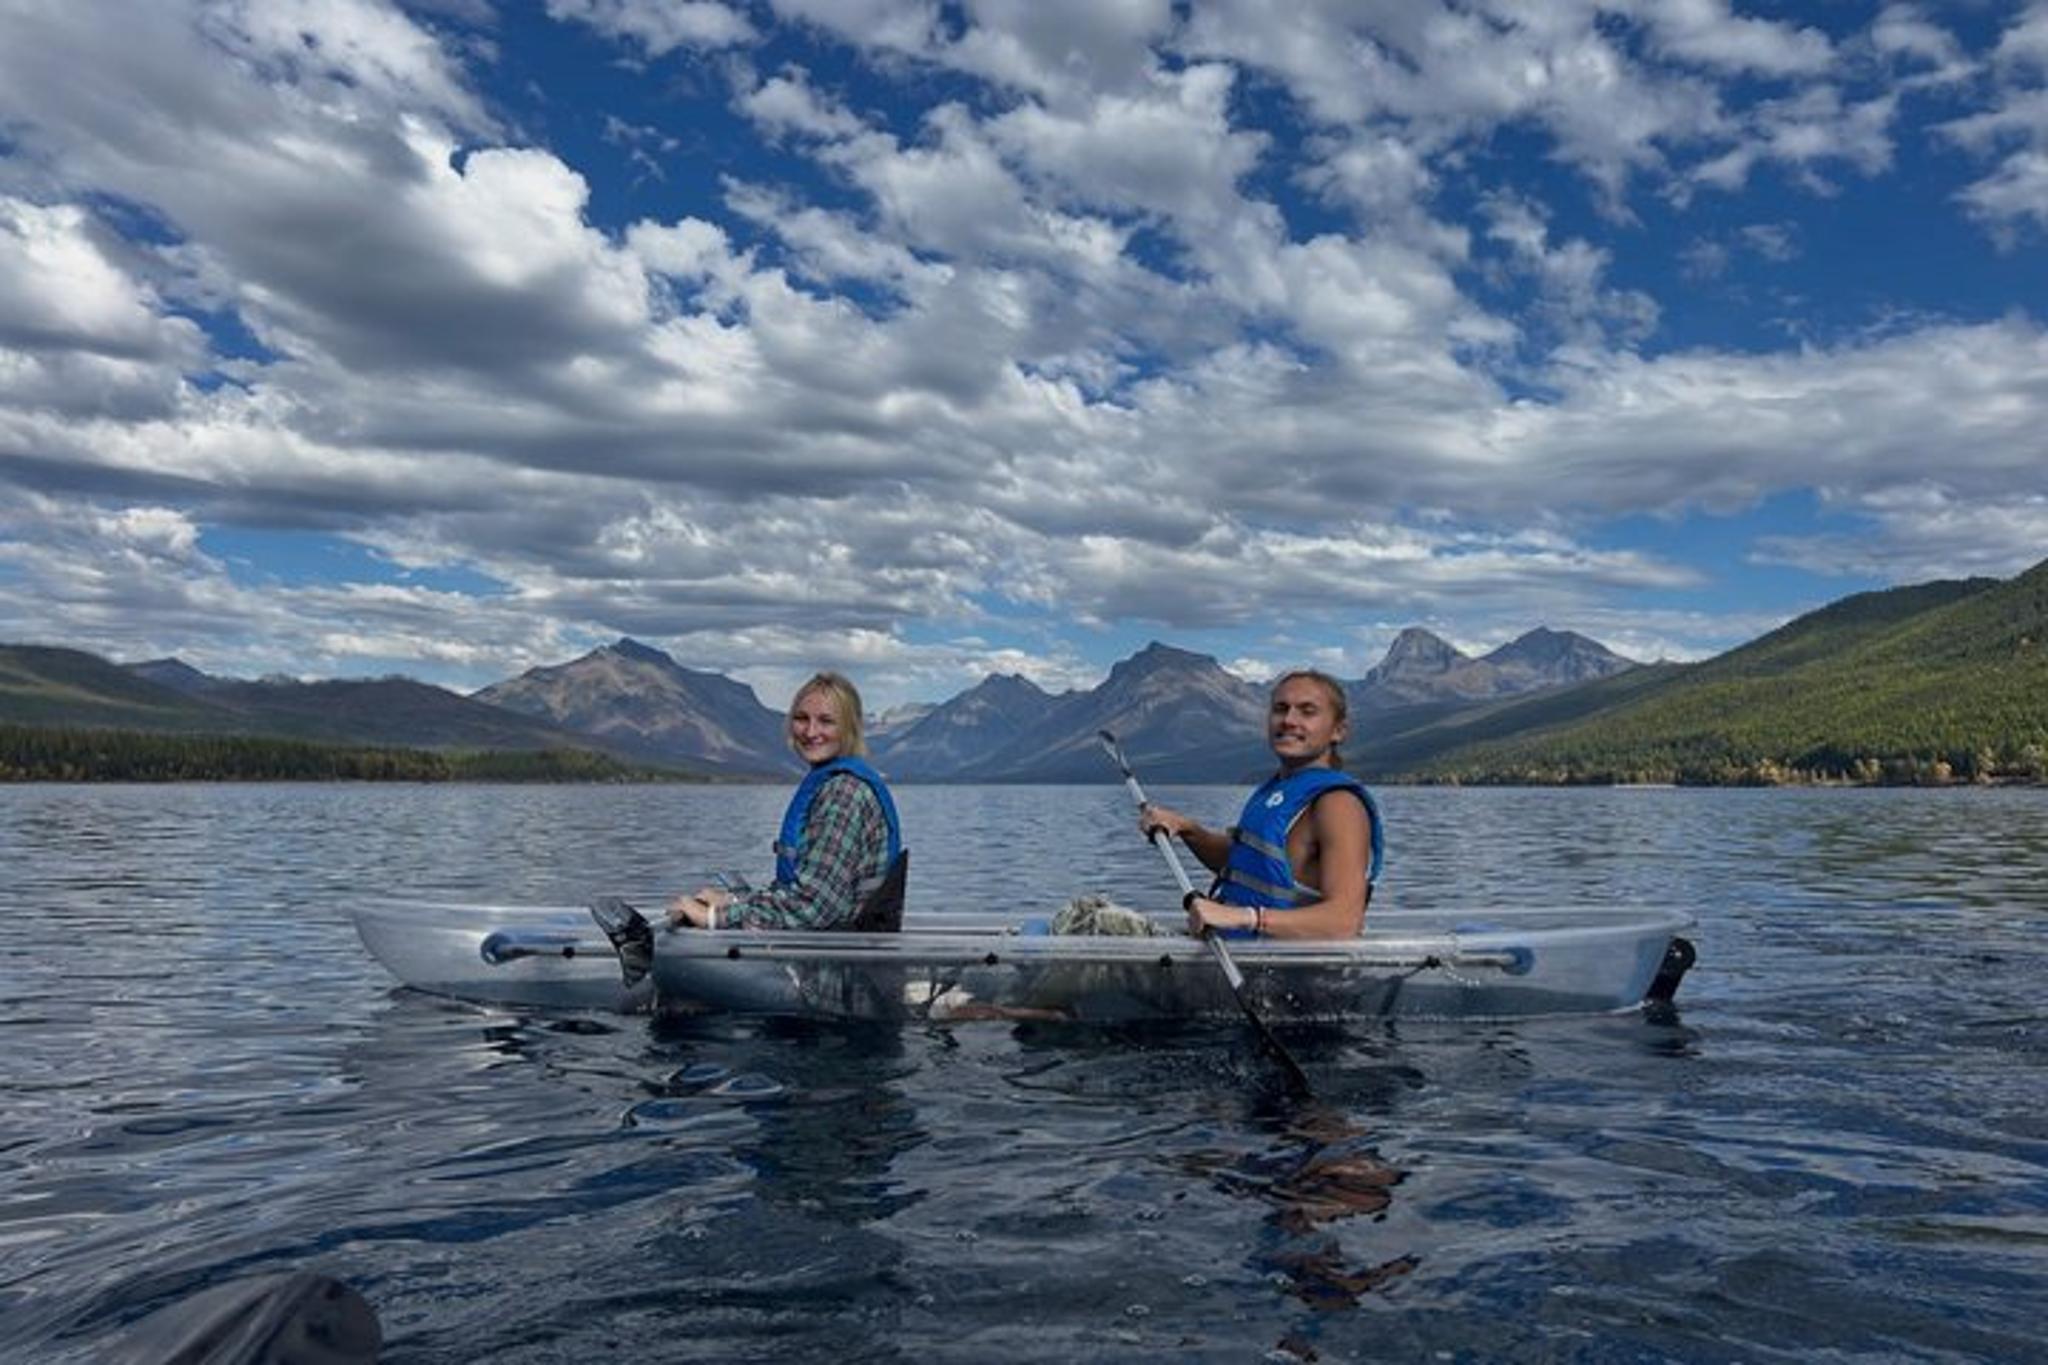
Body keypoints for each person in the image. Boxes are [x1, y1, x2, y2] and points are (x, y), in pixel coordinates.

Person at [1139, 669, 1383, 940]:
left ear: (1338, 731)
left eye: (1307, 711)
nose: (1289, 720)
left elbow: (1344, 921)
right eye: (1280, 709)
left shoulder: (1338, 804)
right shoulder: (1277, 791)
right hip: (1242, 957)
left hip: (1297, 977)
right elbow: (1247, 863)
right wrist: (1187, 829)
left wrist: (1246, 918)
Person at [668, 670, 904, 931]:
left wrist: (714, 918)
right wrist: (734, 901)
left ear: (850, 728)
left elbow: (812, 906)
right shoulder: (835, 784)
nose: (811, 731)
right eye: (802, 718)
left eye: (826, 721)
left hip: (838, 961)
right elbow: (806, 891)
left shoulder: (843, 793)